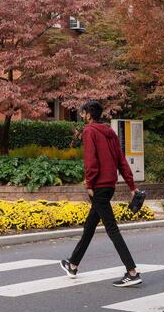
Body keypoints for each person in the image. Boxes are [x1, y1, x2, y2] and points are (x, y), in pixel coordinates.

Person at [60, 100, 142, 287]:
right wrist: (132, 186)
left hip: (98, 186)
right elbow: (121, 161)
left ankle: (132, 272)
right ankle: (73, 264)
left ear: (89, 114)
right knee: (89, 226)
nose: (82, 116)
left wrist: (89, 183)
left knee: (112, 229)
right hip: (109, 186)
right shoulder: (110, 132)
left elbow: (91, 160)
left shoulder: (89, 131)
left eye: (83, 113)